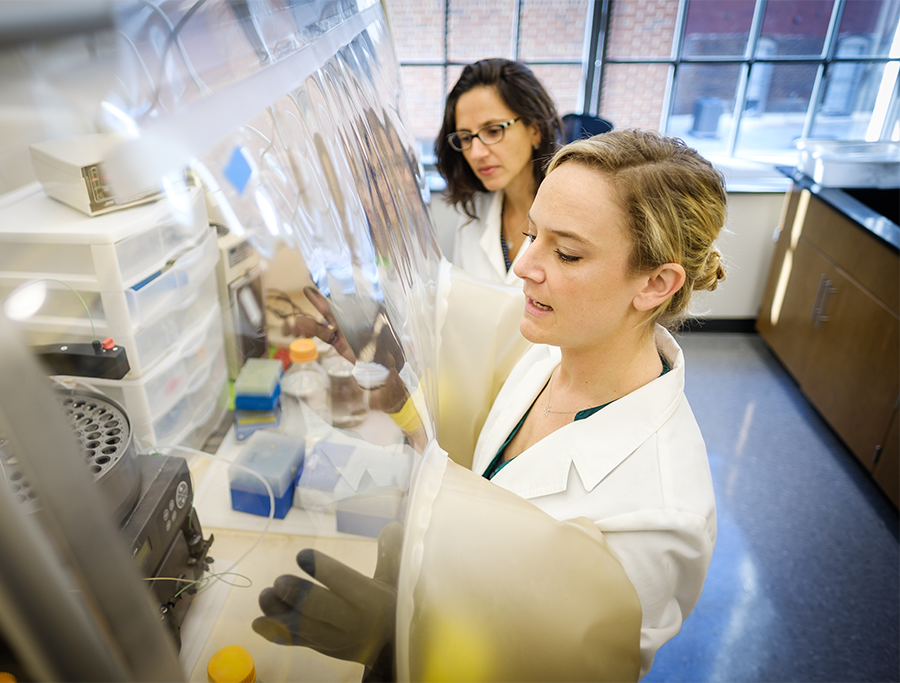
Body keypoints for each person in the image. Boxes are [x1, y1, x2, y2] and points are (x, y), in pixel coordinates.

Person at [254, 129, 727, 681]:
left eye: (567, 252)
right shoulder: (548, 353)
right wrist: (399, 381)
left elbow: (571, 666)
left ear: (655, 283)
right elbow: (482, 473)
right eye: (532, 234)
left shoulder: (660, 517)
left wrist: (404, 634)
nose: (525, 264)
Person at [434, 58, 562, 285]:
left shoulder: (573, 215)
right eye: (465, 137)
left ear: (535, 129)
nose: (476, 153)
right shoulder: (474, 211)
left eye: (493, 131)